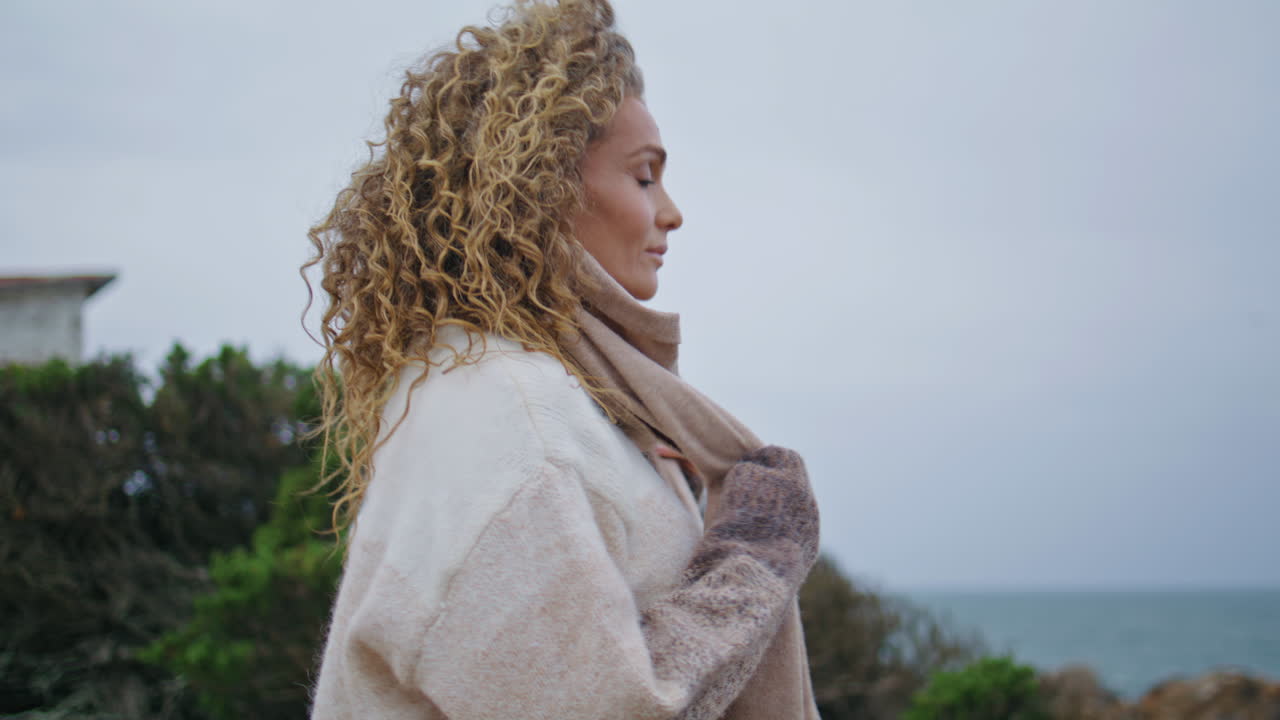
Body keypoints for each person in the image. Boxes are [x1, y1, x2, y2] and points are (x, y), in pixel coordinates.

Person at [304, 1, 821, 718]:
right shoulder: (507, 415)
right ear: (541, 187)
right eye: (644, 177)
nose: (671, 212)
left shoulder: (551, 402)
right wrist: (752, 563)